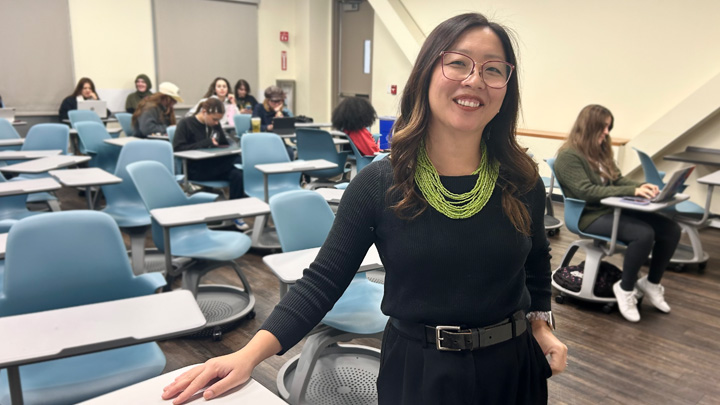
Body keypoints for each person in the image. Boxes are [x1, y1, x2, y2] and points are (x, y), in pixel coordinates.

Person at [161, 13, 567, 405]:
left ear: (506, 88)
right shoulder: (380, 183)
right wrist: (247, 355)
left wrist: (540, 324)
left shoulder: (521, 177)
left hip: (514, 369)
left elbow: (534, 262)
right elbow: (323, 282)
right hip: (421, 371)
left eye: (493, 69)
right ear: (426, 73)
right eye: (457, 63)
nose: (475, 80)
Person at [554, 104, 681, 323]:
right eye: (603, 127)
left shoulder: (600, 151)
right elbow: (586, 191)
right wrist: (631, 191)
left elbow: (618, 179)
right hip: (589, 216)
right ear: (589, 126)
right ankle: (625, 288)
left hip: (612, 209)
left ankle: (651, 283)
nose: (607, 132)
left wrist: (643, 187)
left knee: (670, 229)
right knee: (643, 234)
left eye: (608, 127)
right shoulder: (568, 156)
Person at [172, 98, 248, 231]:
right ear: (204, 112)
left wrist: (229, 147)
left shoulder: (214, 125)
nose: (216, 123)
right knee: (237, 162)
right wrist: (205, 143)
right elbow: (177, 148)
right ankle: (245, 163)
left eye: (218, 120)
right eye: (214, 119)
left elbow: (224, 143)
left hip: (216, 166)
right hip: (196, 169)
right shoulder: (186, 123)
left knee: (238, 174)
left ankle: (235, 212)